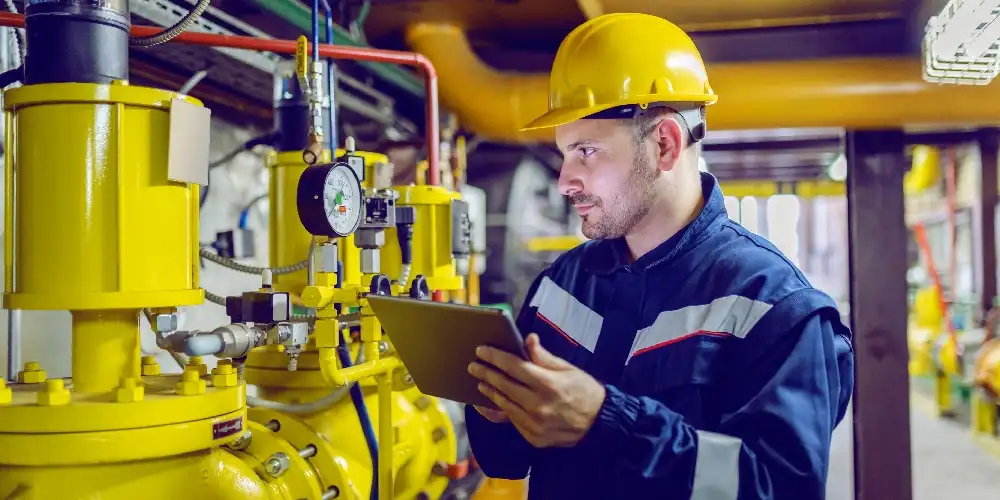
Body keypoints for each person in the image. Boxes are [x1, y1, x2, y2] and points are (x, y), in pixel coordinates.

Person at [463, 12, 855, 500]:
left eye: (585, 151)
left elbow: (782, 489)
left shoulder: (774, 306)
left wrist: (607, 423)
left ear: (665, 144)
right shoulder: (562, 284)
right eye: (564, 154)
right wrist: (494, 410)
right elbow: (507, 460)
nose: (565, 180)